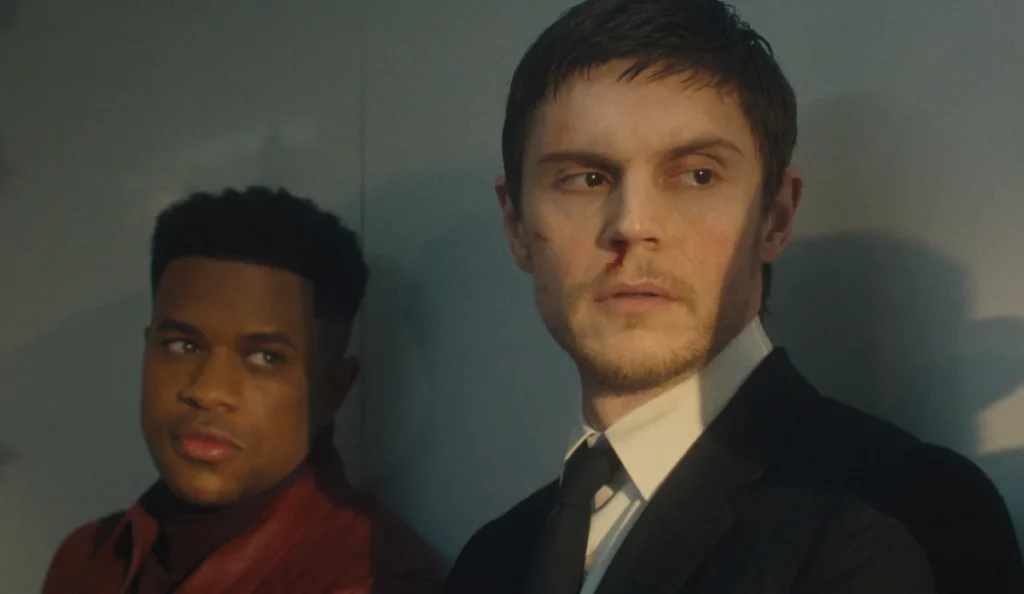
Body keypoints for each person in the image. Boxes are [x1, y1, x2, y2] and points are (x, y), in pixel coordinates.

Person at [444, 1, 1023, 593]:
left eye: (698, 175)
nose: (633, 224)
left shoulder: (905, 512)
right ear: (516, 226)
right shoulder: (491, 560)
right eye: (585, 178)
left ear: (776, 217)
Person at [43, 187, 443, 594]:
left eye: (265, 358)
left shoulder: (376, 577)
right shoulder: (87, 557)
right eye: (183, 346)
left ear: (332, 390)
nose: (208, 390)